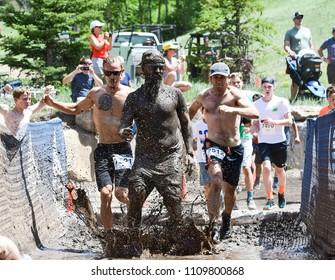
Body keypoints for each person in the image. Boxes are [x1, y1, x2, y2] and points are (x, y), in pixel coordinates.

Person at [44, 56, 133, 232]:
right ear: (104, 74)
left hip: (123, 149)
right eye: (108, 73)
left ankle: (134, 221)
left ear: (122, 73)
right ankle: (109, 235)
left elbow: (141, 119)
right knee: (105, 192)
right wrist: (53, 103)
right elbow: (76, 109)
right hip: (103, 149)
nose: (112, 76)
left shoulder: (131, 94)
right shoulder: (95, 93)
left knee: (121, 194)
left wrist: (133, 131)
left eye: (115, 72)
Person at [119, 49, 195, 229]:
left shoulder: (174, 94)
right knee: (136, 194)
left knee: (173, 199)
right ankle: (131, 238)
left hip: (170, 156)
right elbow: (123, 123)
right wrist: (124, 131)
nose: (158, 71)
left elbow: (186, 124)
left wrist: (190, 153)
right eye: (154, 68)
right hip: (144, 158)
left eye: (161, 67)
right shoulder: (134, 97)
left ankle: (178, 235)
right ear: (143, 69)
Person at [188, 62, 259, 242]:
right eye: (216, 77)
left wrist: (233, 109)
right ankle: (212, 221)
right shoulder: (204, 95)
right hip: (213, 144)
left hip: (234, 148)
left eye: (222, 78)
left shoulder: (235, 95)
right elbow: (190, 111)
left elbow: (254, 112)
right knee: (216, 181)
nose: (219, 81)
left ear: (227, 80)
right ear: (210, 78)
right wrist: (182, 128)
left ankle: (226, 218)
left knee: (230, 189)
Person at [252, 77, 292, 210]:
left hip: (279, 141)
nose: (267, 89)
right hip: (264, 141)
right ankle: (270, 199)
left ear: (274, 87)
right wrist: (250, 131)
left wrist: (274, 122)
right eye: (265, 87)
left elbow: (289, 122)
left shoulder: (281, 102)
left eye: (269, 86)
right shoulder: (257, 104)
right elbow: (256, 123)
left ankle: (281, 193)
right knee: (267, 168)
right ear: (261, 88)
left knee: (279, 170)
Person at [229, 72, 257, 210]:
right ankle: (231, 201)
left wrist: (250, 126)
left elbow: (252, 117)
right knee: (233, 171)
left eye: (239, 82)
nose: (237, 84)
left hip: (245, 138)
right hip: (231, 139)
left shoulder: (246, 99)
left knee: (246, 167)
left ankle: (250, 198)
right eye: (234, 83)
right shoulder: (227, 99)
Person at [284, 11, 314, 102]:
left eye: (301, 17)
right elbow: (286, 45)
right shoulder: (290, 32)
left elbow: (311, 44)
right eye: (297, 18)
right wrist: (290, 51)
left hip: (308, 58)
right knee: (295, 79)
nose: (299, 19)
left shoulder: (307, 30)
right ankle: (293, 99)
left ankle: (308, 96)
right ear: (294, 19)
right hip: (296, 58)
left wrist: (312, 51)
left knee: (310, 76)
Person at [192, 107, 210, 201]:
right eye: (206, 111)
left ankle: (219, 203)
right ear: (202, 112)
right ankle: (209, 206)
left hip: (216, 158)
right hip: (202, 158)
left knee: (217, 183)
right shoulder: (197, 126)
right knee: (207, 185)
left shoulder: (216, 124)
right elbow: (192, 139)